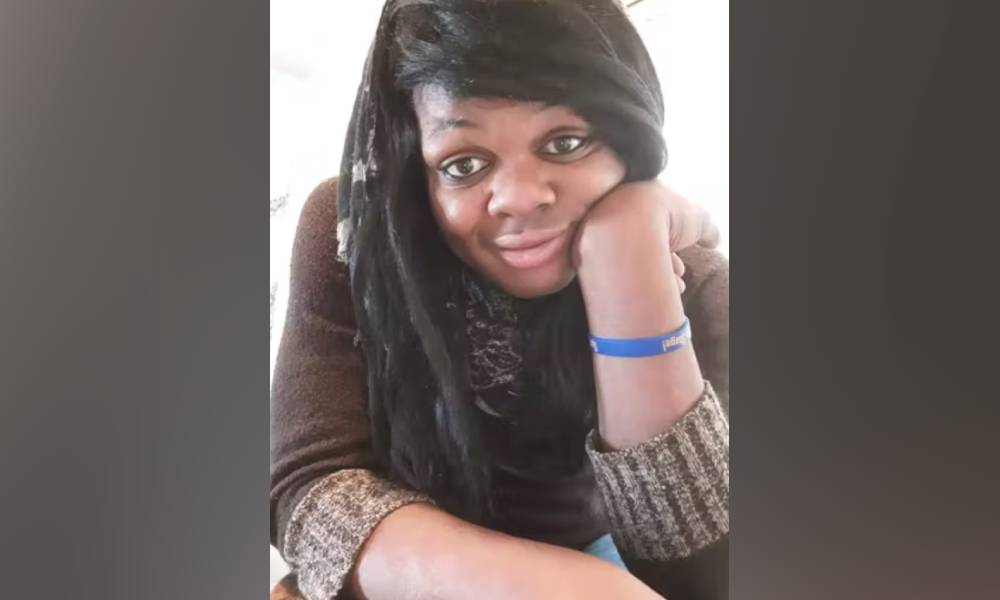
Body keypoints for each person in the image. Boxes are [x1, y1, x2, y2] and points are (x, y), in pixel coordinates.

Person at [270, 1, 729, 598]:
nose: (519, 197)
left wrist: (626, 265)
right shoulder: (357, 237)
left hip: (602, 548)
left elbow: (698, 574)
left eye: (565, 142)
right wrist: (565, 592)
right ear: (416, 168)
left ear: (629, 130)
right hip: (401, 559)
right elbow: (305, 488)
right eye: (464, 164)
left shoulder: (687, 275)